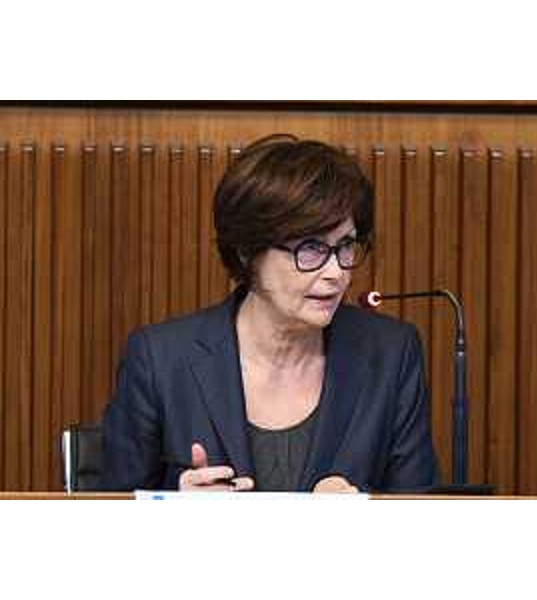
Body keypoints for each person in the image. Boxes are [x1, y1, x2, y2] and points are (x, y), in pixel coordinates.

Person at [101, 134, 438, 493]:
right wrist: (174, 509)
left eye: (345, 246)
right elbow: (105, 513)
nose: (336, 272)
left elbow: (421, 510)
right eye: (311, 248)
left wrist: (360, 511)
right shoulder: (160, 360)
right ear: (248, 251)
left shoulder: (391, 354)